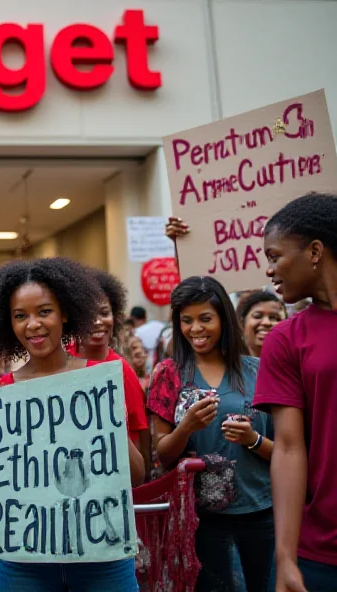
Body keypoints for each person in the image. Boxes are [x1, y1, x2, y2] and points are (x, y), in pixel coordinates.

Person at [0, 257, 145, 592]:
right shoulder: (0, 393)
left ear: (65, 313)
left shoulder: (100, 381)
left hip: (102, 557)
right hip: (24, 562)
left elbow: (135, 475)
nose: (32, 324)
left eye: (44, 311)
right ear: (8, 324)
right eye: (20, 316)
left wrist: (113, 427)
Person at [147, 276, 274, 592]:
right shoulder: (169, 372)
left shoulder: (258, 370)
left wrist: (252, 440)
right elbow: (161, 454)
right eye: (186, 321)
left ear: (224, 320)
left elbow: (287, 450)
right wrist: (186, 426)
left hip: (263, 512)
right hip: (201, 520)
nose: (195, 329)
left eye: (205, 319)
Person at [252, 193, 337, 592]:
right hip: (317, 553)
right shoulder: (285, 339)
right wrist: (285, 557)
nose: (269, 270)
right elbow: (288, 447)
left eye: (274, 255)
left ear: (315, 251)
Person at [67, 268, 151, 476]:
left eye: (104, 313)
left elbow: (140, 438)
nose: (97, 322)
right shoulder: (60, 360)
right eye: (88, 315)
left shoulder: (121, 371)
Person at [235, 290, 286, 358]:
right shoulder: (227, 365)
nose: (266, 322)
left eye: (273, 318)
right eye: (257, 316)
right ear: (242, 323)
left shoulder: (295, 364)